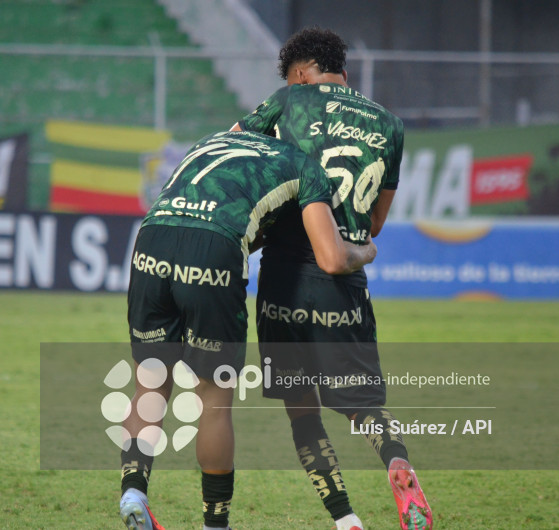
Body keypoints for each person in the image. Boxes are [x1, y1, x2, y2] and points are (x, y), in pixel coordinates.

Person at [120, 129, 378, 530]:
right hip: (213, 248)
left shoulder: (215, 139)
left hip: (152, 237)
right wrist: (366, 251)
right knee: (214, 399)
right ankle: (214, 524)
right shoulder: (303, 164)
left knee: (149, 384)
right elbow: (328, 253)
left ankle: (133, 491)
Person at [231, 26, 433, 530]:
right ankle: (398, 466)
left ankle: (346, 520)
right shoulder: (390, 125)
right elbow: (376, 223)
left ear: (301, 74)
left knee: (302, 412)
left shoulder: (287, 102)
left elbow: (230, 150)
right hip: (342, 281)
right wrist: (358, 247)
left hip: (282, 279)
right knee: (364, 407)